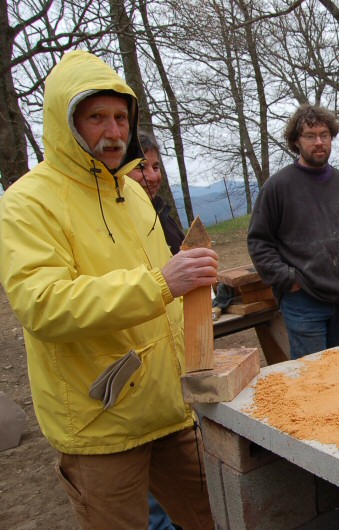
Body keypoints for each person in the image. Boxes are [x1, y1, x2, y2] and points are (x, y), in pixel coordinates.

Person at [0, 50, 217, 529]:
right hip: (99, 419)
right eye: (96, 117)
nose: (114, 132)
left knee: (219, 518)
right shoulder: (26, 203)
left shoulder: (134, 192)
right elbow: (44, 305)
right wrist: (164, 282)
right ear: (65, 122)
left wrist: (195, 312)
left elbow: (165, 292)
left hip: (169, 406)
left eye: (121, 116)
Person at [247, 104, 339, 359]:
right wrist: (287, 279)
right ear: (296, 141)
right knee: (311, 377)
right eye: (310, 136)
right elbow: (259, 242)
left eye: (324, 135)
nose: (319, 142)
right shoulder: (278, 187)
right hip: (303, 301)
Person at [129, 132, 184, 530]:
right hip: (133, 365)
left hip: (174, 359)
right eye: (140, 167)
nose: (150, 176)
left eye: (155, 166)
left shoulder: (159, 211)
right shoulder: (116, 220)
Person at [130, 131, 185, 254]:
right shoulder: (121, 224)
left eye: (155, 167)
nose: (153, 177)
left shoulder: (162, 212)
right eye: (141, 167)